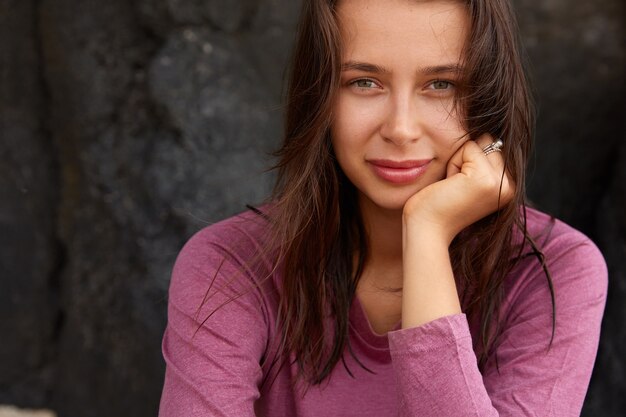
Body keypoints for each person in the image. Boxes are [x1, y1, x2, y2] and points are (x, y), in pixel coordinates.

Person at [158, 0, 608, 415]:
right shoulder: (230, 267)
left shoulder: (555, 271)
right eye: (364, 82)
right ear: (319, 97)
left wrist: (427, 234)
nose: (400, 128)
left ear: (488, 101)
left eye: (441, 85)